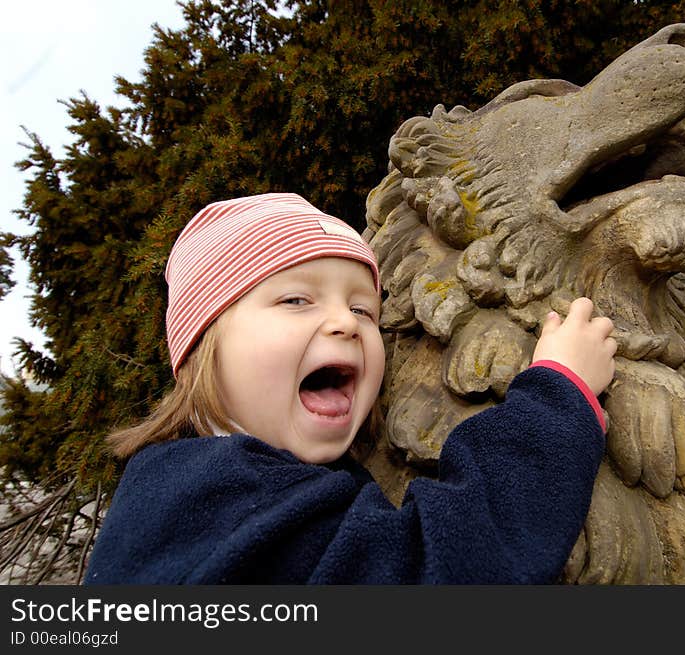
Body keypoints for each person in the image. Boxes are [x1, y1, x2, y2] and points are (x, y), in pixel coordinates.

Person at [84, 192, 616, 584]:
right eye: (296, 300)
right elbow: (440, 574)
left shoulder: (212, 484)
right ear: (205, 346)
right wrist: (558, 395)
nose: (346, 323)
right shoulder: (208, 497)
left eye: (364, 309)